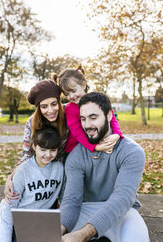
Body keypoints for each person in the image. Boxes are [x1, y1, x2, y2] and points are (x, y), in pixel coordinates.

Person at [60, 92, 150, 242]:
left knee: (139, 238)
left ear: (109, 115)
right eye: (83, 119)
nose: (87, 125)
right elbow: (72, 201)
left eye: (93, 117)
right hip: (86, 208)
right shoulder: (75, 156)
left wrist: (83, 234)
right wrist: (59, 230)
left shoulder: (132, 151)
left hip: (123, 212)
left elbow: (123, 198)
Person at [4, 79, 68, 202]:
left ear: (59, 102)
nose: (50, 110)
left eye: (54, 104)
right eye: (44, 106)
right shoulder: (31, 122)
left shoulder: (69, 115)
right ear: (39, 108)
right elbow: (27, 154)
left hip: (66, 168)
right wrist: (11, 177)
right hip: (42, 169)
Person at [0, 126, 65, 242]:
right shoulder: (23, 171)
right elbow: (9, 208)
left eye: (53, 150)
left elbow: (65, 198)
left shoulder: (59, 169)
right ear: (34, 146)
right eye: (43, 150)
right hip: (20, 222)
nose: (48, 154)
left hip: (44, 222)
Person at [54, 65, 123, 154]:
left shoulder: (96, 100)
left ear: (83, 84)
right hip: (75, 149)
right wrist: (96, 147)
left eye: (74, 91)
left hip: (95, 140)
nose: (71, 96)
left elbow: (111, 118)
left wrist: (117, 134)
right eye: (67, 94)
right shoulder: (70, 109)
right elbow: (77, 133)